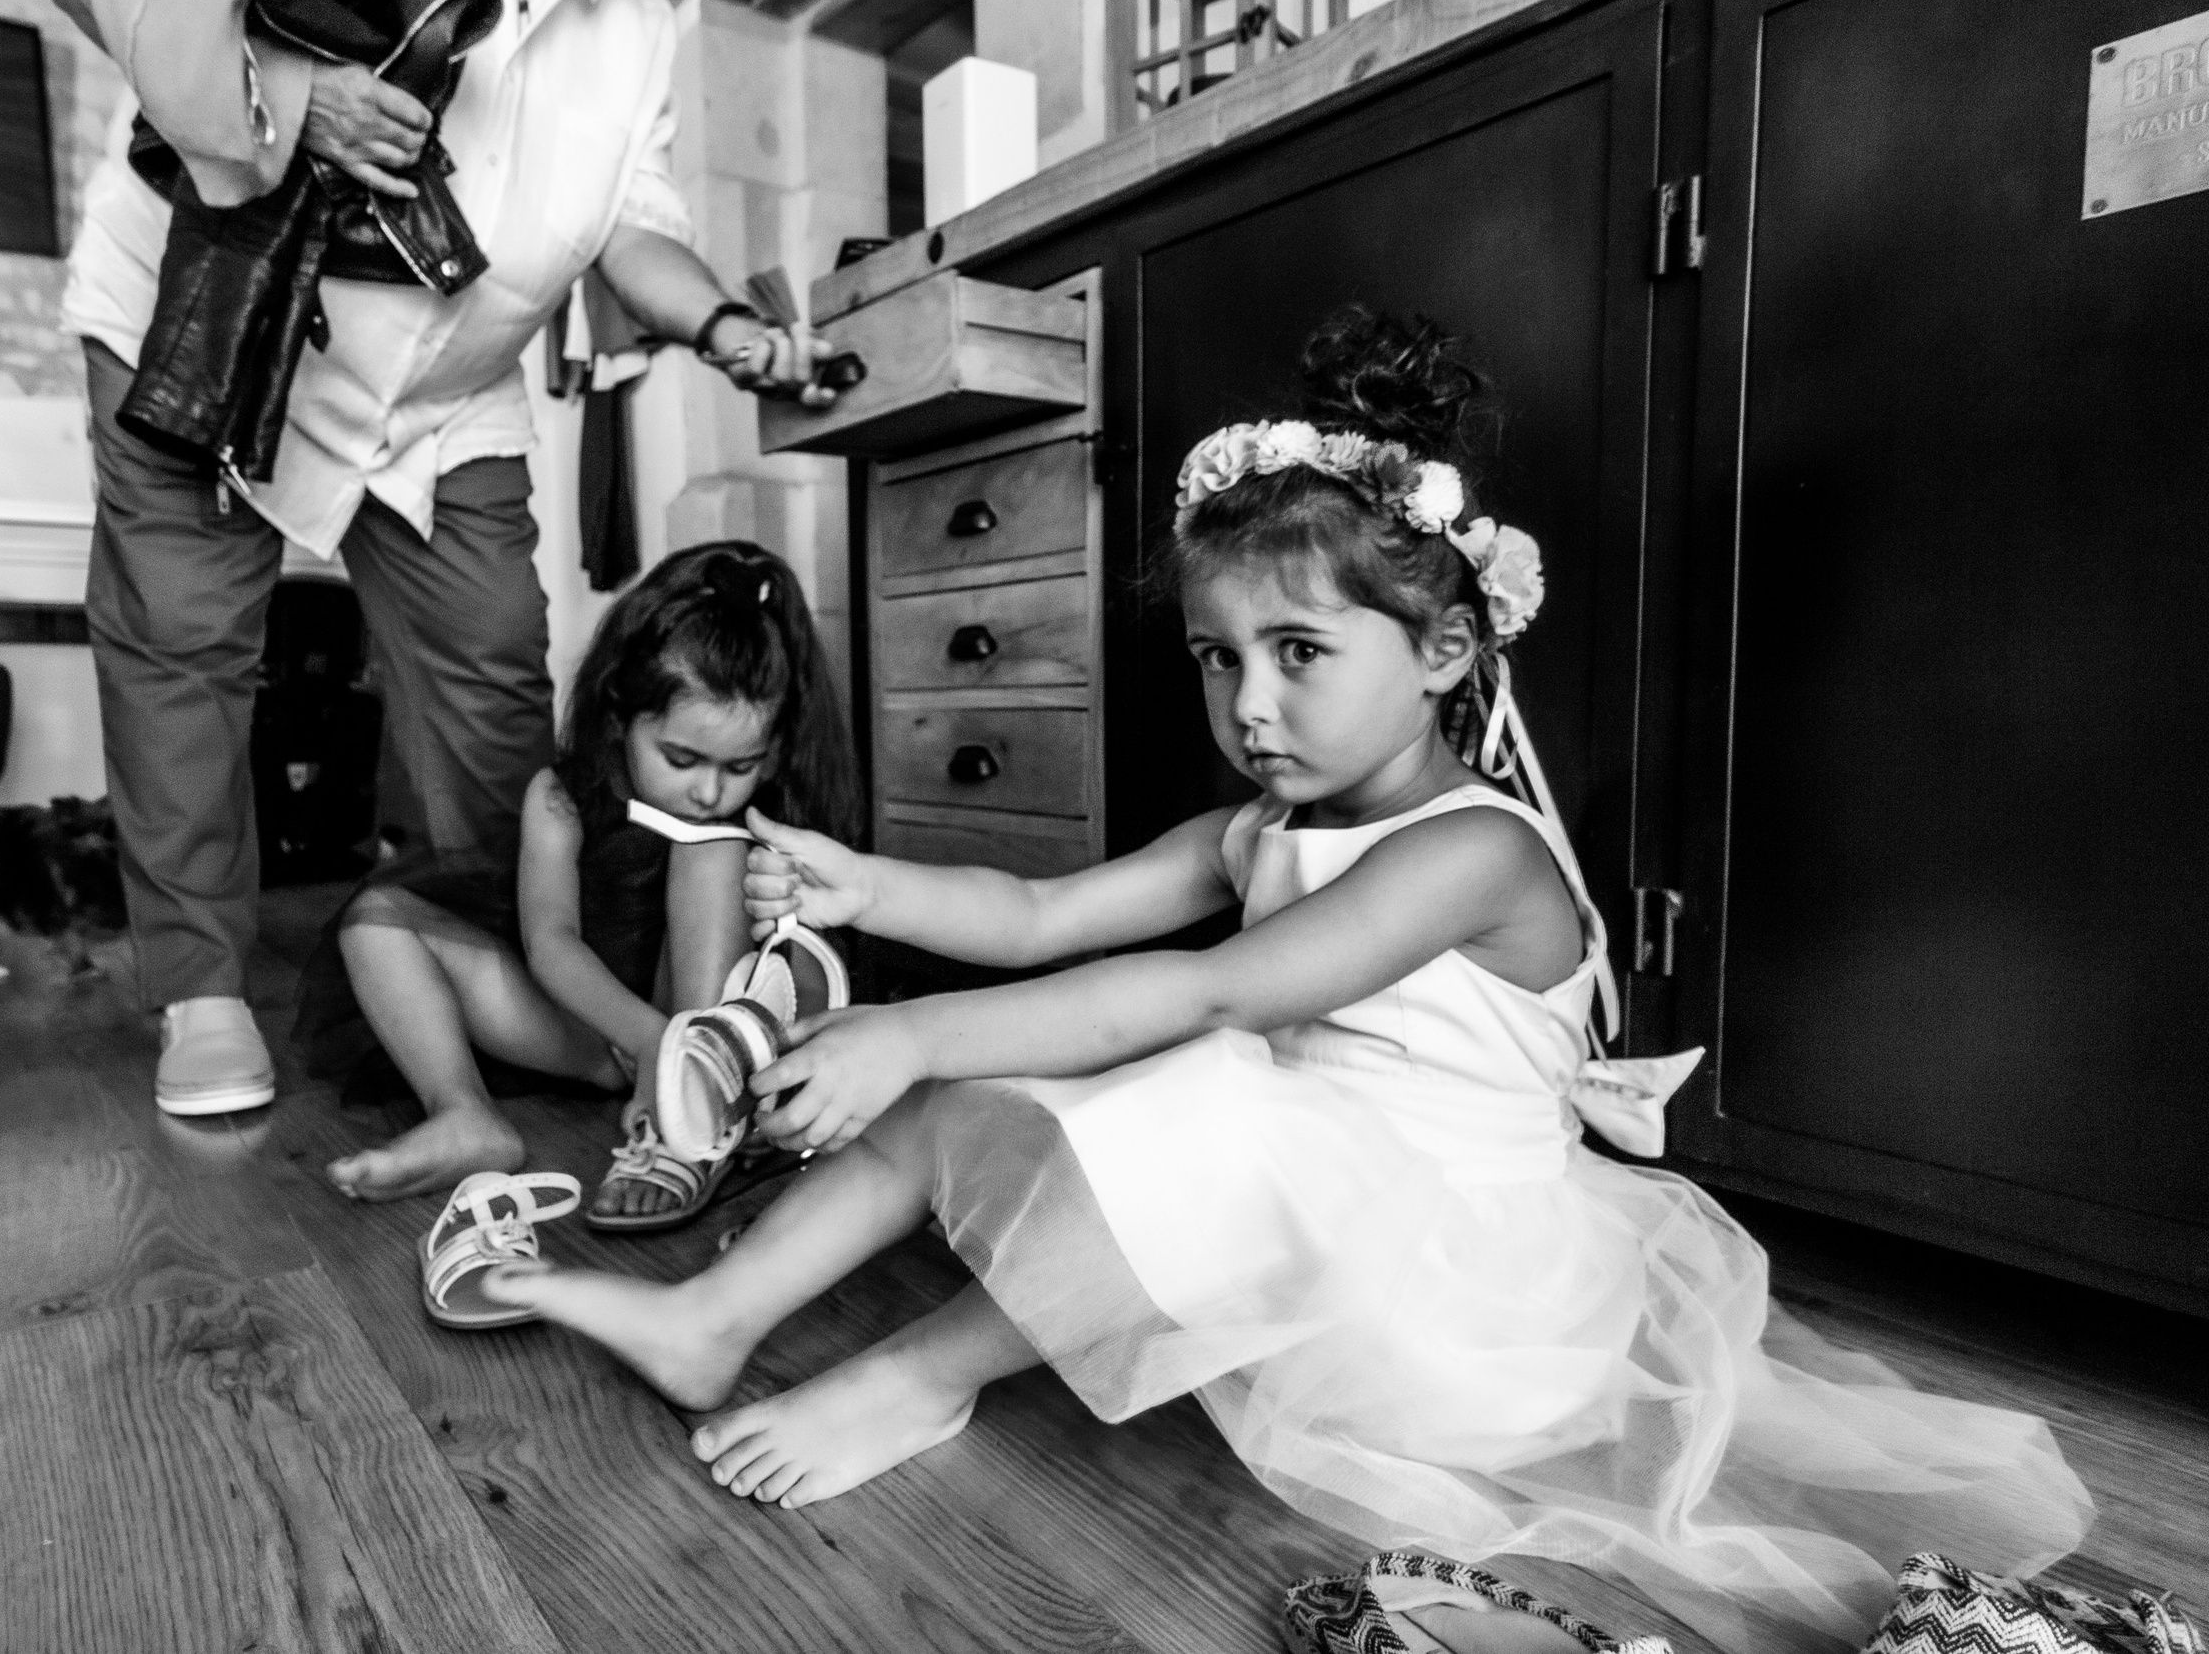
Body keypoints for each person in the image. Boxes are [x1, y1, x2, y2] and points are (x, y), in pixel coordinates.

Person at [486, 313, 2094, 1652]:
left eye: (1299, 654)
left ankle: (915, 1378)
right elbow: (1046, 913)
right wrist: (871, 885)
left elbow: (1199, 999)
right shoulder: (1268, 821)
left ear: (1449, 652)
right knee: (1004, 1090)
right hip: (1303, 1208)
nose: (1249, 702)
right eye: (1216, 656)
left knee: (1183, 1082)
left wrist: (901, 1023)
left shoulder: (1475, 851)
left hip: (1458, 1303)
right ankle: (717, 1313)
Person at [52, 0, 834, 1116]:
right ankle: (200, 987)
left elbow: (629, 222)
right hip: (206, 320)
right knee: (180, 646)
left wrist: (717, 320)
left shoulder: (635, 20)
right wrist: (289, 96)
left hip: (449, 385)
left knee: (493, 657)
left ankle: (497, 962)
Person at [325, 541, 860, 1223]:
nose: (707, 789)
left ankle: (691, 1113)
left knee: (716, 849)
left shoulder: (757, 820)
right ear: (619, 714)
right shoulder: (561, 797)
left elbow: (802, 968)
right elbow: (549, 942)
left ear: (775, 749)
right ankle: (464, 1113)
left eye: (740, 765)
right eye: (681, 758)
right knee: (376, 919)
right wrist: (649, 1044)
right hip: (594, 1028)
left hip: (716, 1032)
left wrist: (687, 1050)